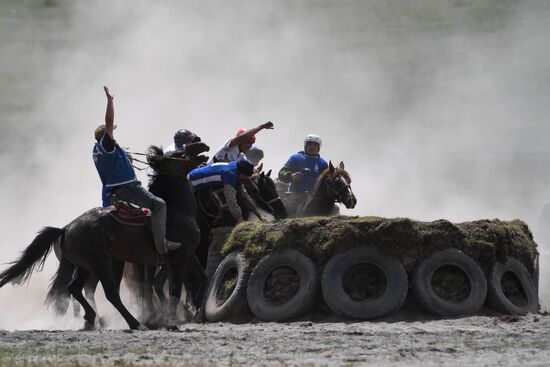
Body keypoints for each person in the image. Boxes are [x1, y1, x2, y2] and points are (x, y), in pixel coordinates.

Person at [92, 86, 181, 255]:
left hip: (113, 193)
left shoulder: (98, 151)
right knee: (159, 205)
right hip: (129, 189)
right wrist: (110, 101)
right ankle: (162, 246)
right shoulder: (107, 144)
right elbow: (109, 121)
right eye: (111, 133)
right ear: (106, 135)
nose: (113, 134)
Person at [189, 157, 265, 223]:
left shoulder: (236, 168)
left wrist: (260, 217)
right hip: (192, 182)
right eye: (246, 176)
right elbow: (231, 201)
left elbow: (244, 196)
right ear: (241, 173)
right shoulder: (230, 175)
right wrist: (240, 220)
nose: (247, 179)